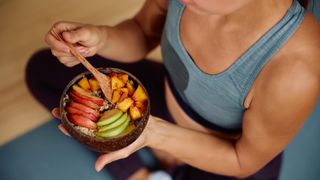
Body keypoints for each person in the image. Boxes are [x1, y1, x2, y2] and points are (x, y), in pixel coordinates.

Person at [26, 0, 320, 179]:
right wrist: (99, 38)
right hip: (166, 102)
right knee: (42, 69)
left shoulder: (296, 69)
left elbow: (242, 160)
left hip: (226, 160)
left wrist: (153, 134)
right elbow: (142, 33)